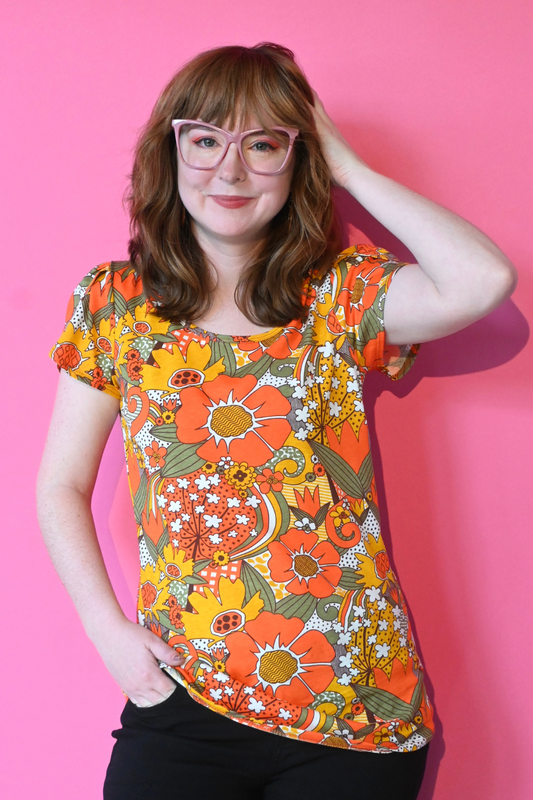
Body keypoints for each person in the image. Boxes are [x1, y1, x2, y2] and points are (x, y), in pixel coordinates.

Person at [37, 43, 516, 800]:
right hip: (183, 694)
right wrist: (109, 636)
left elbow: (483, 279)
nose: (229, 171)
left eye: (261, 145)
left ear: (299, 159)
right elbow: (61, 484)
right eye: (205, 140)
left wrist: (348, 166)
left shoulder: (341, 294)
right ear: (172, 151)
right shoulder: (114, 304)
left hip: (352, 704)